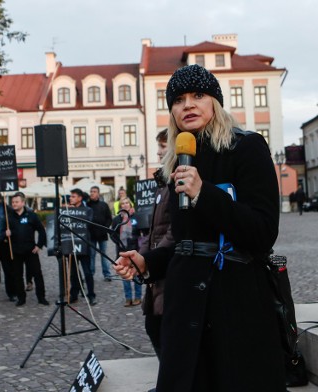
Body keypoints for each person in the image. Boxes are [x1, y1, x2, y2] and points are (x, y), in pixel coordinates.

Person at [114, 64, 285, 391]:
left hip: (236, 303)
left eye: (198, 95)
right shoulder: (179, 160)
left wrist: (203, 193)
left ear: (215, 102)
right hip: (185, 305)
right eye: (178, 100)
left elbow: (263, 233)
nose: (188, 104)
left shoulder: (247, 148)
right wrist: (147, 261)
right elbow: (186, 242)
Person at [139, 128, 175, 361]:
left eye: (163, 146)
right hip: (156, 270)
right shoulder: (162, 185)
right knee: (154, 325)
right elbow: (154, 231)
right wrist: (139, 256)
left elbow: (174, 233)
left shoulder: (176, 184)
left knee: (162, 327)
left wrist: (148, 260)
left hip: (169, 268)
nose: (159, 152)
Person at [9, 192, 48, 306]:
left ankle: (41, 297)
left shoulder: (31, 216)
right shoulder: (9, 217)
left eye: (16, 202)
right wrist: (6, 233)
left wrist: (39, 245)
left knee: (37, 274)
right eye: (13, 202)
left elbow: (41, 230)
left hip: (31, 250)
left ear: (23, 202)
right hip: (16, 251)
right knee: (17, 276)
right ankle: (21, 298)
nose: (14, 204)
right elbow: (3, 233)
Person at [66, 189, 97, 306]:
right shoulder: (68, 210)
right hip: (71, 245)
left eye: (73, 196)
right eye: (70, 196)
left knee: (87, 272)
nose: (70, 198)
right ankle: (74, 294)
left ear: (80, 198)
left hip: (84, 245)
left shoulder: (88, 210)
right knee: (73, 272)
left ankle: (91, 295)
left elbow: (88, 223)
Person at [113, 197, 142, 307]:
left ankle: (138, 297)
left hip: (135, 250)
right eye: (122, 204)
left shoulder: (136, 217)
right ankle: (128, 298)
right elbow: (113, 234)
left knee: (136, 275)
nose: (125, 205)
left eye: (127, 203)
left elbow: (141, 233)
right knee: (125, 276)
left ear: (130, 205)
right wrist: (119, 242)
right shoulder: (117, 219)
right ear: (120, 206)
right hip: (122, 252)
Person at [87, 186, 113, 281]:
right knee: (92, 256)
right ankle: (91, 274)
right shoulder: (87, 205)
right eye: (91, 191)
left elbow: (109, 218)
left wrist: (105, 228)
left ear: (98, 193)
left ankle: (107, 274)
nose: (92, 193)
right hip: (91, 235)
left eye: (94, 191)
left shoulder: (104, 205)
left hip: (102, 235)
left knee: (104, 255)